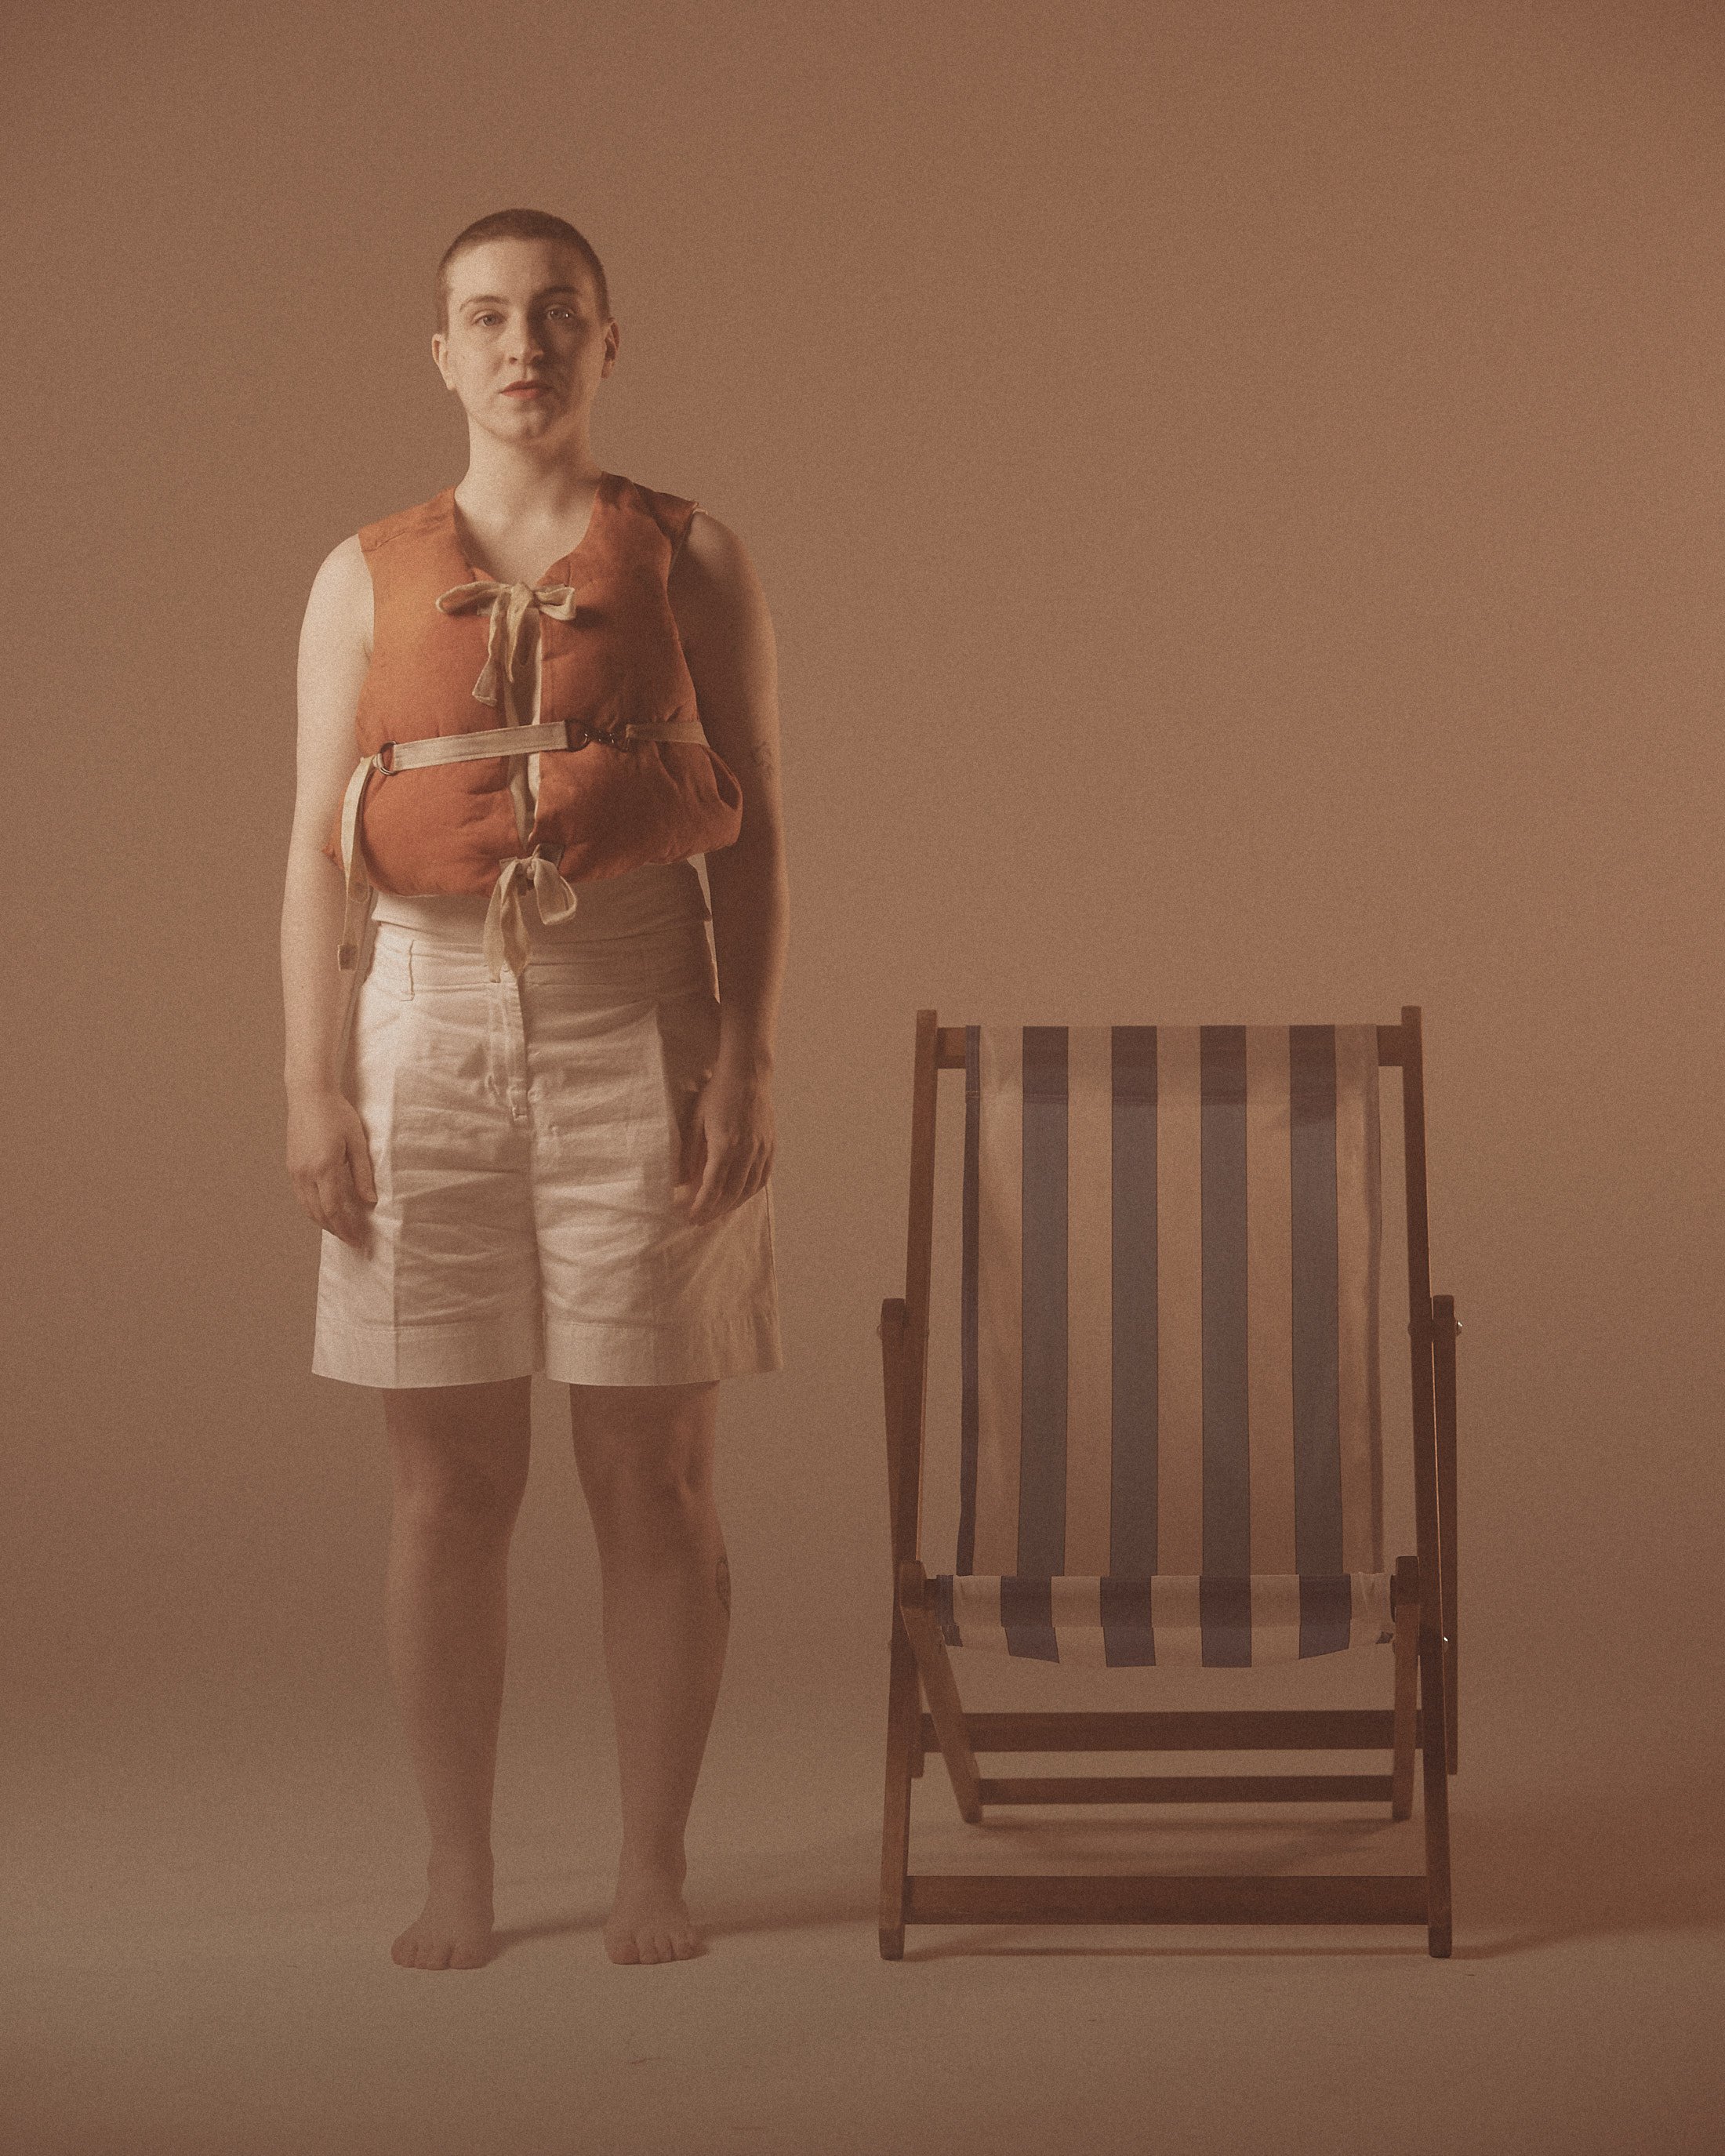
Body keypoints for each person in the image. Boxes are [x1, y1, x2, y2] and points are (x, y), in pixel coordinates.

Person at [280, 208, 786, 1972]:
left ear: (606, 339)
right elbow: (311, 850)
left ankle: (653, 1864)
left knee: (652, 1473)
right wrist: (312, 1081)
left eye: (555, 314)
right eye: (485, 318)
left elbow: (760, 828)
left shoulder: (690, 554)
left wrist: (743, 1045)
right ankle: (460, 1870)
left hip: (636, 1007)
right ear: (439, 351)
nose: (521, 345)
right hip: (416, 1026)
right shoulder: (359, 573)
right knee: (446, 1484)